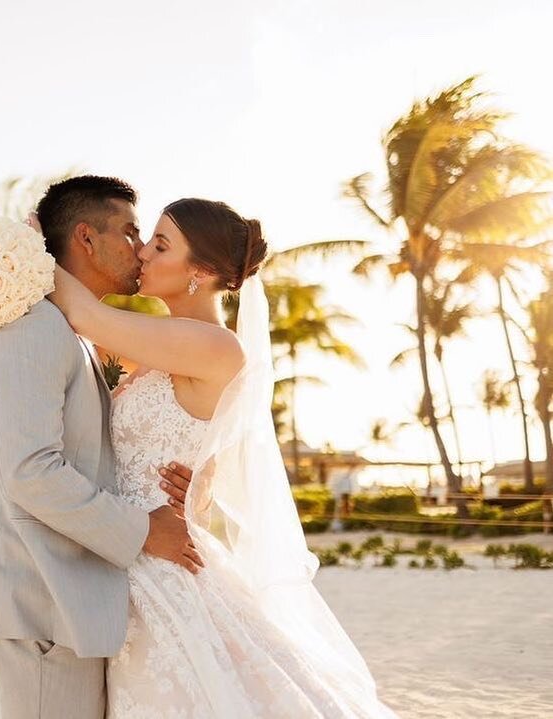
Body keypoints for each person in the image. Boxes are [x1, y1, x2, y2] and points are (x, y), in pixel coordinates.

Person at [48, 196, 398, 717]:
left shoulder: (218, 348)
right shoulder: (151, 345)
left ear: (201, 272)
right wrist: (201, 483)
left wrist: (23, 248)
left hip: (159, 561)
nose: (142, 253)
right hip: (128, 545)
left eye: (160, 244)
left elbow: (81, 312)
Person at [0, 176, 206, 719]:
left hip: (68, 601)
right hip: (40, 604)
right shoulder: (31, 327)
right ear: (85, 238)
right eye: (129, 231)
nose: (139, 248)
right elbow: (30, 473)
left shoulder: (68, 331)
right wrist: (145, 530)